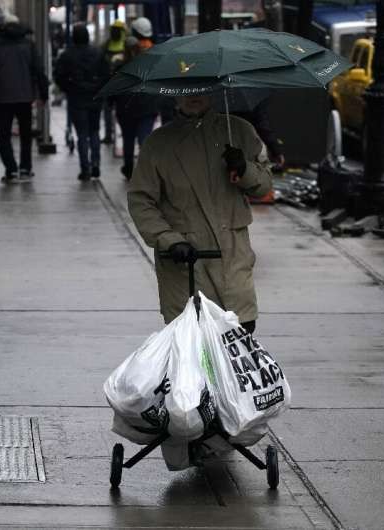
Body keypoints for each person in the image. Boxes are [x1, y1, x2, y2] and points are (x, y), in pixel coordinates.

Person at [127, 94, 272, 333]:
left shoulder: (239, 131)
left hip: (233, 259)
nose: (193, 96)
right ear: (174, 96)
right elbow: (141, 199)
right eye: (185, 90)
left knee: (239, 338)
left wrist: (244, 169)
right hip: (186, 263)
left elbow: (264, 185)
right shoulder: (159, 143)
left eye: (202, 89)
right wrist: (168, 239)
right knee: (192, 349)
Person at [0, 15, 49, 183]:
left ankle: (10, 169)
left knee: (4, 136)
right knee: (25, 135)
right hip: (25, 96)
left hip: (2, 97)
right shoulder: (28, 45)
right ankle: (25, 168)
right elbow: (39, 70)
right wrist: (43, 94)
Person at [53, 23, 109, 181]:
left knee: (82, 135)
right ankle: (96, 162)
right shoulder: (98, 53)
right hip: (94, 97)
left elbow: (59, 75)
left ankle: (85, 168)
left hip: (77, 98)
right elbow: (107, 74)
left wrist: (68, 88)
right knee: (94, 132)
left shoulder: (67, 55)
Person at [113, 37, 158, 180]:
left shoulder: (120, 67)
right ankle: (145, 170)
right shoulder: (147, 65)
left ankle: (128, 168)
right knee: (144, 140)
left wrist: (113, 103)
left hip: (126, 110)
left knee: (128, 140)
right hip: (146, 109)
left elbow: (114, 89)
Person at [101, 19, 127, 144]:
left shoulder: (107, 44)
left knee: (109, 111)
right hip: (117, 82)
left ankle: (110, 135)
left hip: (112, 82)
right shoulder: (124, 44)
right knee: (113, 110)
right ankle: (114, 134)